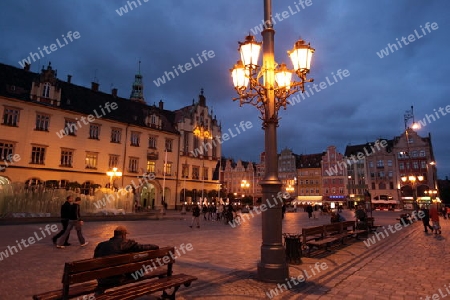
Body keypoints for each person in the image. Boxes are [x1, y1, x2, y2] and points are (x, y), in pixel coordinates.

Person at [94, 226, 159, 290]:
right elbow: (143, 247)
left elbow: (95, 260)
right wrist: (155, 246)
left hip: (102, 279)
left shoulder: (101, 245)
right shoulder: (128, 243)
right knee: (138, 268)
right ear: (123, 235)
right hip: (118, 279)